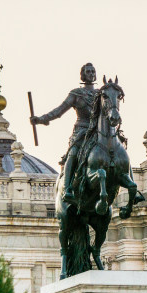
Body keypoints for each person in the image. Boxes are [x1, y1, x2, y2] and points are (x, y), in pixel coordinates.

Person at [31, 63, 98, 204]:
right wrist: (42, 119)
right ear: (83, 75)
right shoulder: (76, 94)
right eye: (88, 71)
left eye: (93, 71)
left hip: (98, 131)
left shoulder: (101, 94)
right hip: (82, 130)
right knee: (73, 153)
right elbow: (59, 110)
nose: (91, 74)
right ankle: (67, 188)